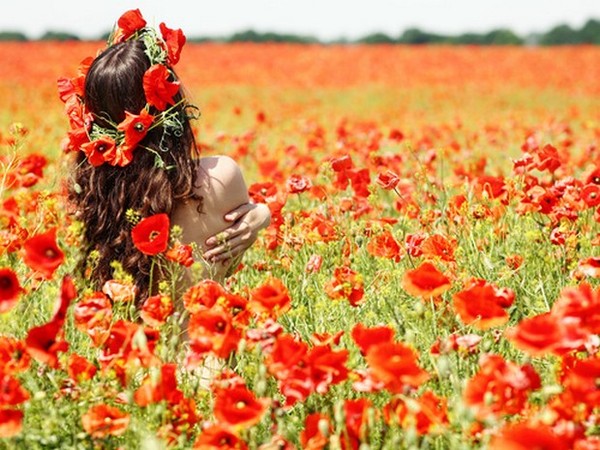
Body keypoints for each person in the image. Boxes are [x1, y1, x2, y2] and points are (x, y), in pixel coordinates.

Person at [60, 10, 270, 303]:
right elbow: (226, 264)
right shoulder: (221, 178)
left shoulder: (88, 202)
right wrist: (262, 214)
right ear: (171, 103)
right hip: (205, 347)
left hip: (125, 349)